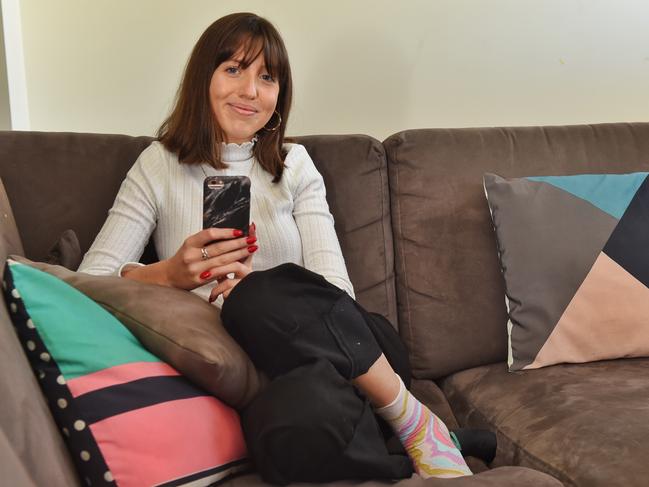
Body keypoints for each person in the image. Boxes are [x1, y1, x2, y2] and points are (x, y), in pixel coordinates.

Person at [79, 12, 474, 482]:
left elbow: (336, 293)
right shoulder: (159, 165)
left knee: (258, 296)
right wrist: (166, 275)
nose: (250, 91)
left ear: (279, 95)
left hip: (364, 353)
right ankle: (411, 441)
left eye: (267, 77)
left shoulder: (294, 164)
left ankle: (407, 415)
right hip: (271, 377)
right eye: (234, 70)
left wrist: (264, 292)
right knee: (291, 429)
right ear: (202, 78)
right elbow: (86, 285)